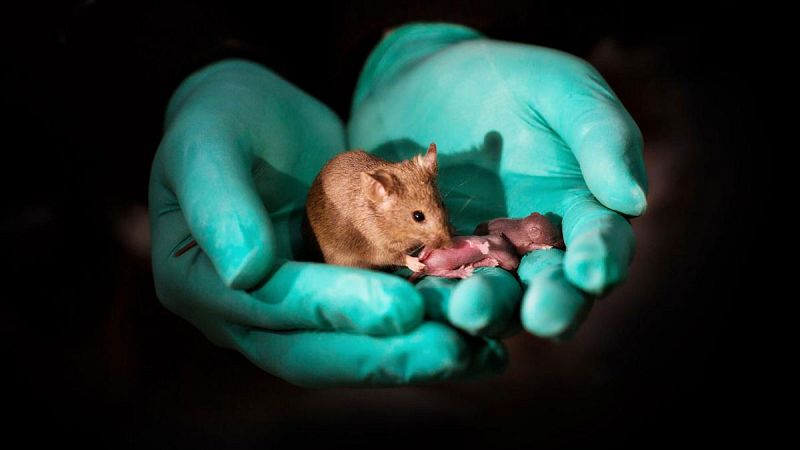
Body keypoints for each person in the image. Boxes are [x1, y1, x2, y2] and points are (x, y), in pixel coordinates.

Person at [148, 22, 646, 387]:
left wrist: (405, 44)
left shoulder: (416, 182)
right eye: (420, 217)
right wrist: (209, 60)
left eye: (436, 211)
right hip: (347, 244)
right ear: (380, 194)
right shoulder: (375, 207)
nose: (440, 227)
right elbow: (383, 241)